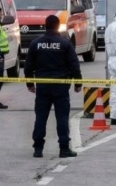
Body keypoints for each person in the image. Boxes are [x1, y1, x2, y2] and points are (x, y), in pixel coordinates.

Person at [24, 15, 83, 158]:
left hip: (43, 85)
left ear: (45, 25)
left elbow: (28, 66)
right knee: (62, 117)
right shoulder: (65, 44)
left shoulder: (35, 44)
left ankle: (38, 149)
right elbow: (74, 65)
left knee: (41, 117)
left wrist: (30, 83)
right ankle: (64, 149)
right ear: (57, 26)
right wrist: (78, 83)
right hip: (60, 85)